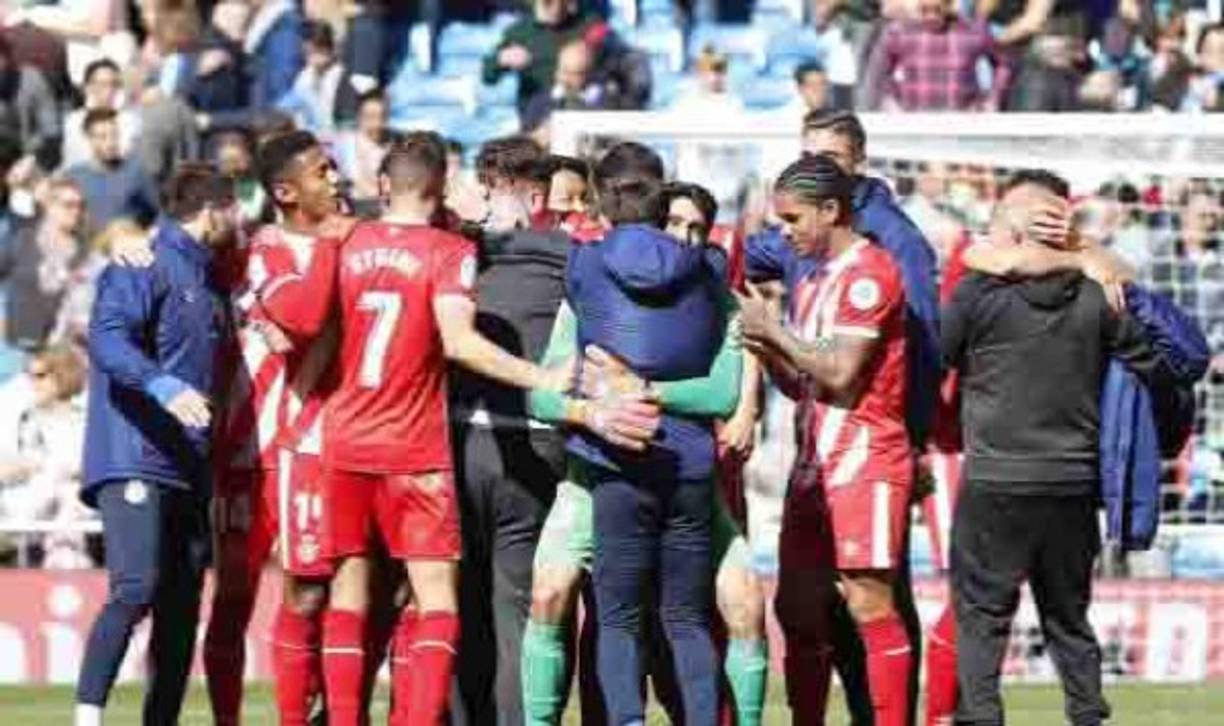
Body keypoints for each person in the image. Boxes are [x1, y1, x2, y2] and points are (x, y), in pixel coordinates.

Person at [280, 132, 567, 726]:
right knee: (435, 602)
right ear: (439, 191)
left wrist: (298, 411)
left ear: (384, 186)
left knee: (348, 601)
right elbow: (461, 342)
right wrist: (542, 375)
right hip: (415, 451)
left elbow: (317, 328)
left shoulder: (345, 239)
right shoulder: (447, 251)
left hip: (345, 443)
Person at [941, 169, 1178, 726]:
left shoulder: (977, 294)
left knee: (981, 616)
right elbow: (1154, 369)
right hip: (1071, 479)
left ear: (1017, 229)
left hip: (996, 477)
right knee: (1069, 618)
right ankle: (1088, 716)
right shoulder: (1100, 295)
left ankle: (981, 718)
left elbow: (935, 362)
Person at [75, 163, 238, 726]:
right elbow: (107, 341)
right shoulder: (143, 262)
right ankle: (87, 717)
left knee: (179, 610)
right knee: (136, 584)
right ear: (216, 210)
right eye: (235, 209)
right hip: (133, 452)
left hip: (188, 464)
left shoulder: (211, 277)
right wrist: (164, 386)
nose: (240, 221)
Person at [203, 130, 349, 726]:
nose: (336, 179)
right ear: (286, 190)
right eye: (322, 171)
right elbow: (304, 317)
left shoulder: (352, 241)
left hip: (313, 442)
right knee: (235, 600)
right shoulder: (262, 248)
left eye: (334, 167)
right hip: (247, 451)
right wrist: (132, 241)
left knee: (313, 593)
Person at [449, 138, 571, 726]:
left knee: (489, 603)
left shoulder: (459, 246)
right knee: (492, 605)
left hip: (502, 442)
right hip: (489, 441)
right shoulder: (564, 253)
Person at [865, 0, 1012, 111]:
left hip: (962, 120)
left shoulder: (974, 30)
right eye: (925, 10)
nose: (931, 17)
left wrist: (993, 101)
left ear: (950, 5)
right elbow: (878, 72)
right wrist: (889, 102)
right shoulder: (899, 31)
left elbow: (1003, 64)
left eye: (937, 10)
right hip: (914, 119)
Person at [0, 176, 86, 351]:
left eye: (81, 205)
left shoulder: (83, 252)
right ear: (49, 206)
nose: (76, 211)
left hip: (55, 351)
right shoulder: (21, 240)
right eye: (69, 205)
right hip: (12, 346)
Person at [482, 0, 609, 114]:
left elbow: (616, 58)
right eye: (548, 2)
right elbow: (488, 76)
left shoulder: (589, 25)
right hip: (536, 113)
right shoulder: (520, 32)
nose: (555, 8)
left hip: (582, 109)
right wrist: (501, 59)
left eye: (562, 2)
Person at [65, 108, 159, 231]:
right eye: (102, 137)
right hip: (90, 247)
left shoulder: (136, 171)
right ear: (88, 138)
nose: (111, 143)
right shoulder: (74, 176)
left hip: (128, 246)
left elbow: (160, 214)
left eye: (114, 135)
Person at [60, 58, 138, 170]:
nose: (109, 90)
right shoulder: (73, 121)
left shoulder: (128, 121)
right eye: (103, 84)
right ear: (87, 87)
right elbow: (73, 159)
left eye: (114, 84)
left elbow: (124, 156)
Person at [334, 89, 392, 218]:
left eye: (382, 117)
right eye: (370, 117)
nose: (377, 124)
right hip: (354, 209)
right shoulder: (345, 144)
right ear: (359, 117)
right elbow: (351, 182)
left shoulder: (392, 145)